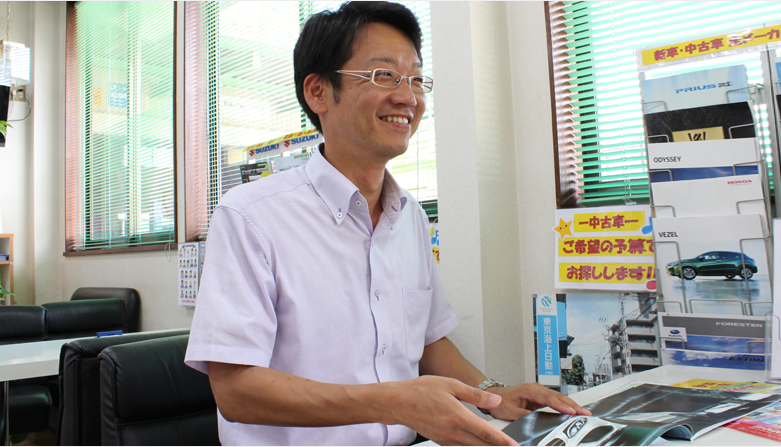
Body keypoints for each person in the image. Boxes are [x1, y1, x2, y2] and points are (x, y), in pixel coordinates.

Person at [184, 2, 588, 445]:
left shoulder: (410, 216)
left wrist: (493, 395)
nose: (408, 98)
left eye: (416, 80)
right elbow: (236, 391)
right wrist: (392, 402)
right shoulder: (251, 215)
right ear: (318, 92)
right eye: (384, 75)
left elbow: (428, 341)